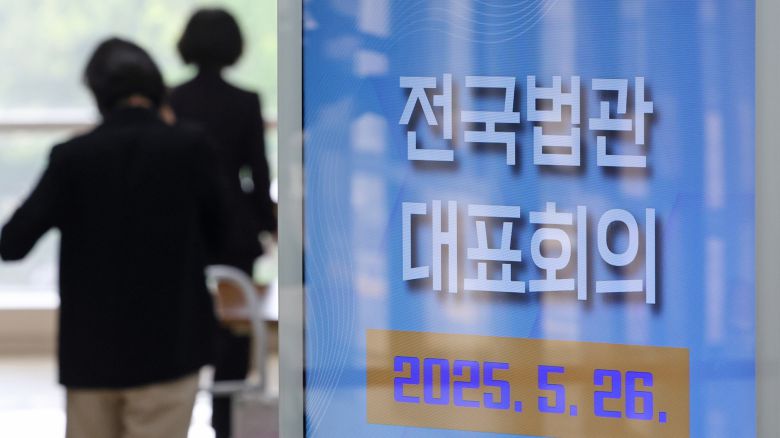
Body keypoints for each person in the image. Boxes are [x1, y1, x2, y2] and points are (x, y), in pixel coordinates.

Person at [0, 38, 223, 438]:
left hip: (92, 354)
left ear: (97, 93)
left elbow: (12, 243)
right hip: (171, 345)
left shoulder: (72, 157)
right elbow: (232, 236)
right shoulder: (191, 148)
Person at [170, 8, 277, 438]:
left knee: (180, 313)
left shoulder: (171, 99)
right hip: (234, 224)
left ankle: (178, 402)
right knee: (236, 323)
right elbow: (258, 172)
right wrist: (269, 225)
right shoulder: (245, 100)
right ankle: (225, 419)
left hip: (182, 222)